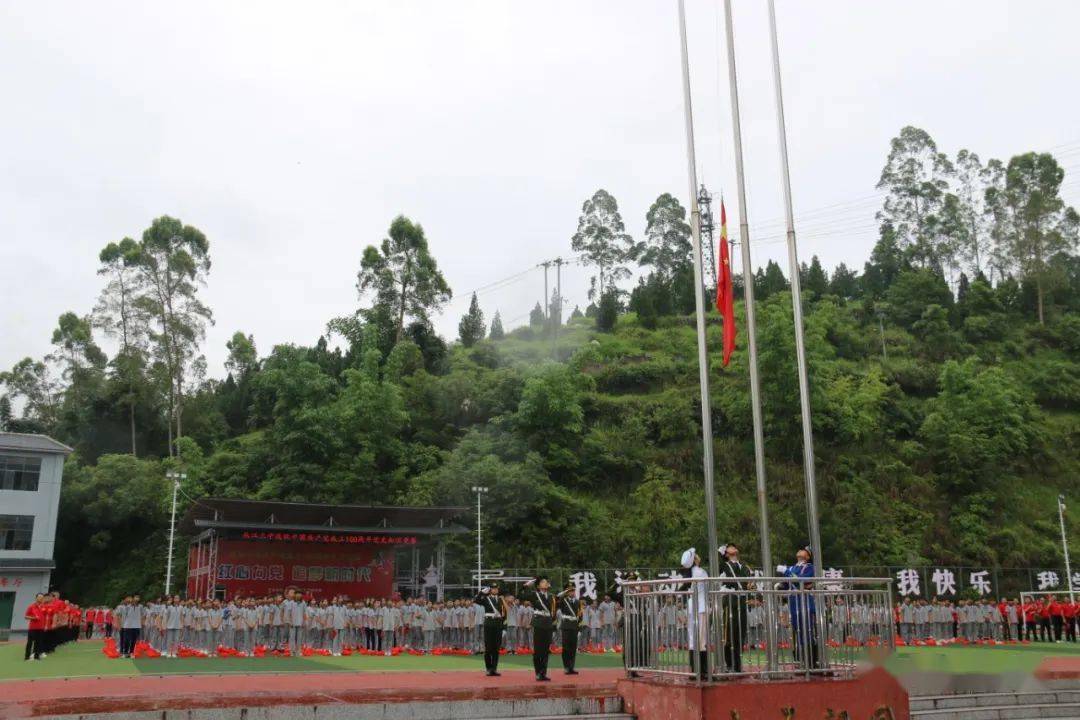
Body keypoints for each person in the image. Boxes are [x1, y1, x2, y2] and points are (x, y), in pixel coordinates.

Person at [778, 546, 818, 668]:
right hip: (793, 601)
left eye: (803, 551)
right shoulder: (792, 567)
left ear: (808, 556)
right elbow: (786, 585)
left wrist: (786, 572)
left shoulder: (810, 567)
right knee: (797, 631)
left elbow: (802, 580)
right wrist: (779, 585)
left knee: (808, 631)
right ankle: (799, 660)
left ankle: (811, 661)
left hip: (805, 601)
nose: (800, 551)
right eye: (799, 549)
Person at [717, 542, 752, 673]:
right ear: (726, 553)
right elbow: (715, 568)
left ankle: (737, 665)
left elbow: (749, 584)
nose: (733, 548)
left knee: (740, 635)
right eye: (729, 548)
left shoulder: (744, 566)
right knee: (729, 635)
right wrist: (719, 554)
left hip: (742, 602)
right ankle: (729, 663)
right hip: (730, 601)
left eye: (734, 546)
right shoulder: (724, 565)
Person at [678, 548, 709, 680]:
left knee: (692, 639)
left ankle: (694, 670)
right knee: (701, 640)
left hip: (692, 607)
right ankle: (702, 670)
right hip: (700, 607)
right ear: (695, 560)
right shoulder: (700, 572)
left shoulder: (688, 574)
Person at [521, 576, 555, 681]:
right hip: (539, 623)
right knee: (538, 650)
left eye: (546, 582)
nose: (545, 583)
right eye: (543, 582)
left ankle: (543, 673)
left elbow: (553, 610)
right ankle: (538, 672)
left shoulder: (551, 596)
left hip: (548, 623)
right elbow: (521, 596)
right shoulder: (534, 595)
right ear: (538, 585)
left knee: (546, 650)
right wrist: (526, 586)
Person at [474, 581, 507, 676]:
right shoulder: (486, 598)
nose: (495, 590)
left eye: (496, 588)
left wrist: (503, 624)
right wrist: (481, 592)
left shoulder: (501, 600)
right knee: (488, 647)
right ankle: (488, 668)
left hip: (498, 624)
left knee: (496, 647)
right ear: (490, 590)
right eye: (493, 588)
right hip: (489, 624)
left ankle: (494, 669)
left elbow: (504, 613)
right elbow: (476, 600)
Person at [556, 581, 582, 675]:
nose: (572, 592)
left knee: (573, 647)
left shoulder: (578, 601)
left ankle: (571, 667)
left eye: (573, 591)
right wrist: (564, 592)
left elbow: (580, 615)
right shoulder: (563, 600)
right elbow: (557, 597)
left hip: (574, 626)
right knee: (566, 647)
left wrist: (579, 627)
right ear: (566, 592)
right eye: (570, 591)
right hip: (566, 625)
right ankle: (566, 667)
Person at [24, 593, 47, 661]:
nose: (40, 599)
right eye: (39, 597)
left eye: (42, 597)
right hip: (32, 628)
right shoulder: (31, 606)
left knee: (38, 643)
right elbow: (26, 616)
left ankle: (36, 657)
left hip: (41, 628)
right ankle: (27, 657)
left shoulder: (44, 607)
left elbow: (46, 617)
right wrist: (33, 617)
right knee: (30, 643)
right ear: (36, 598)